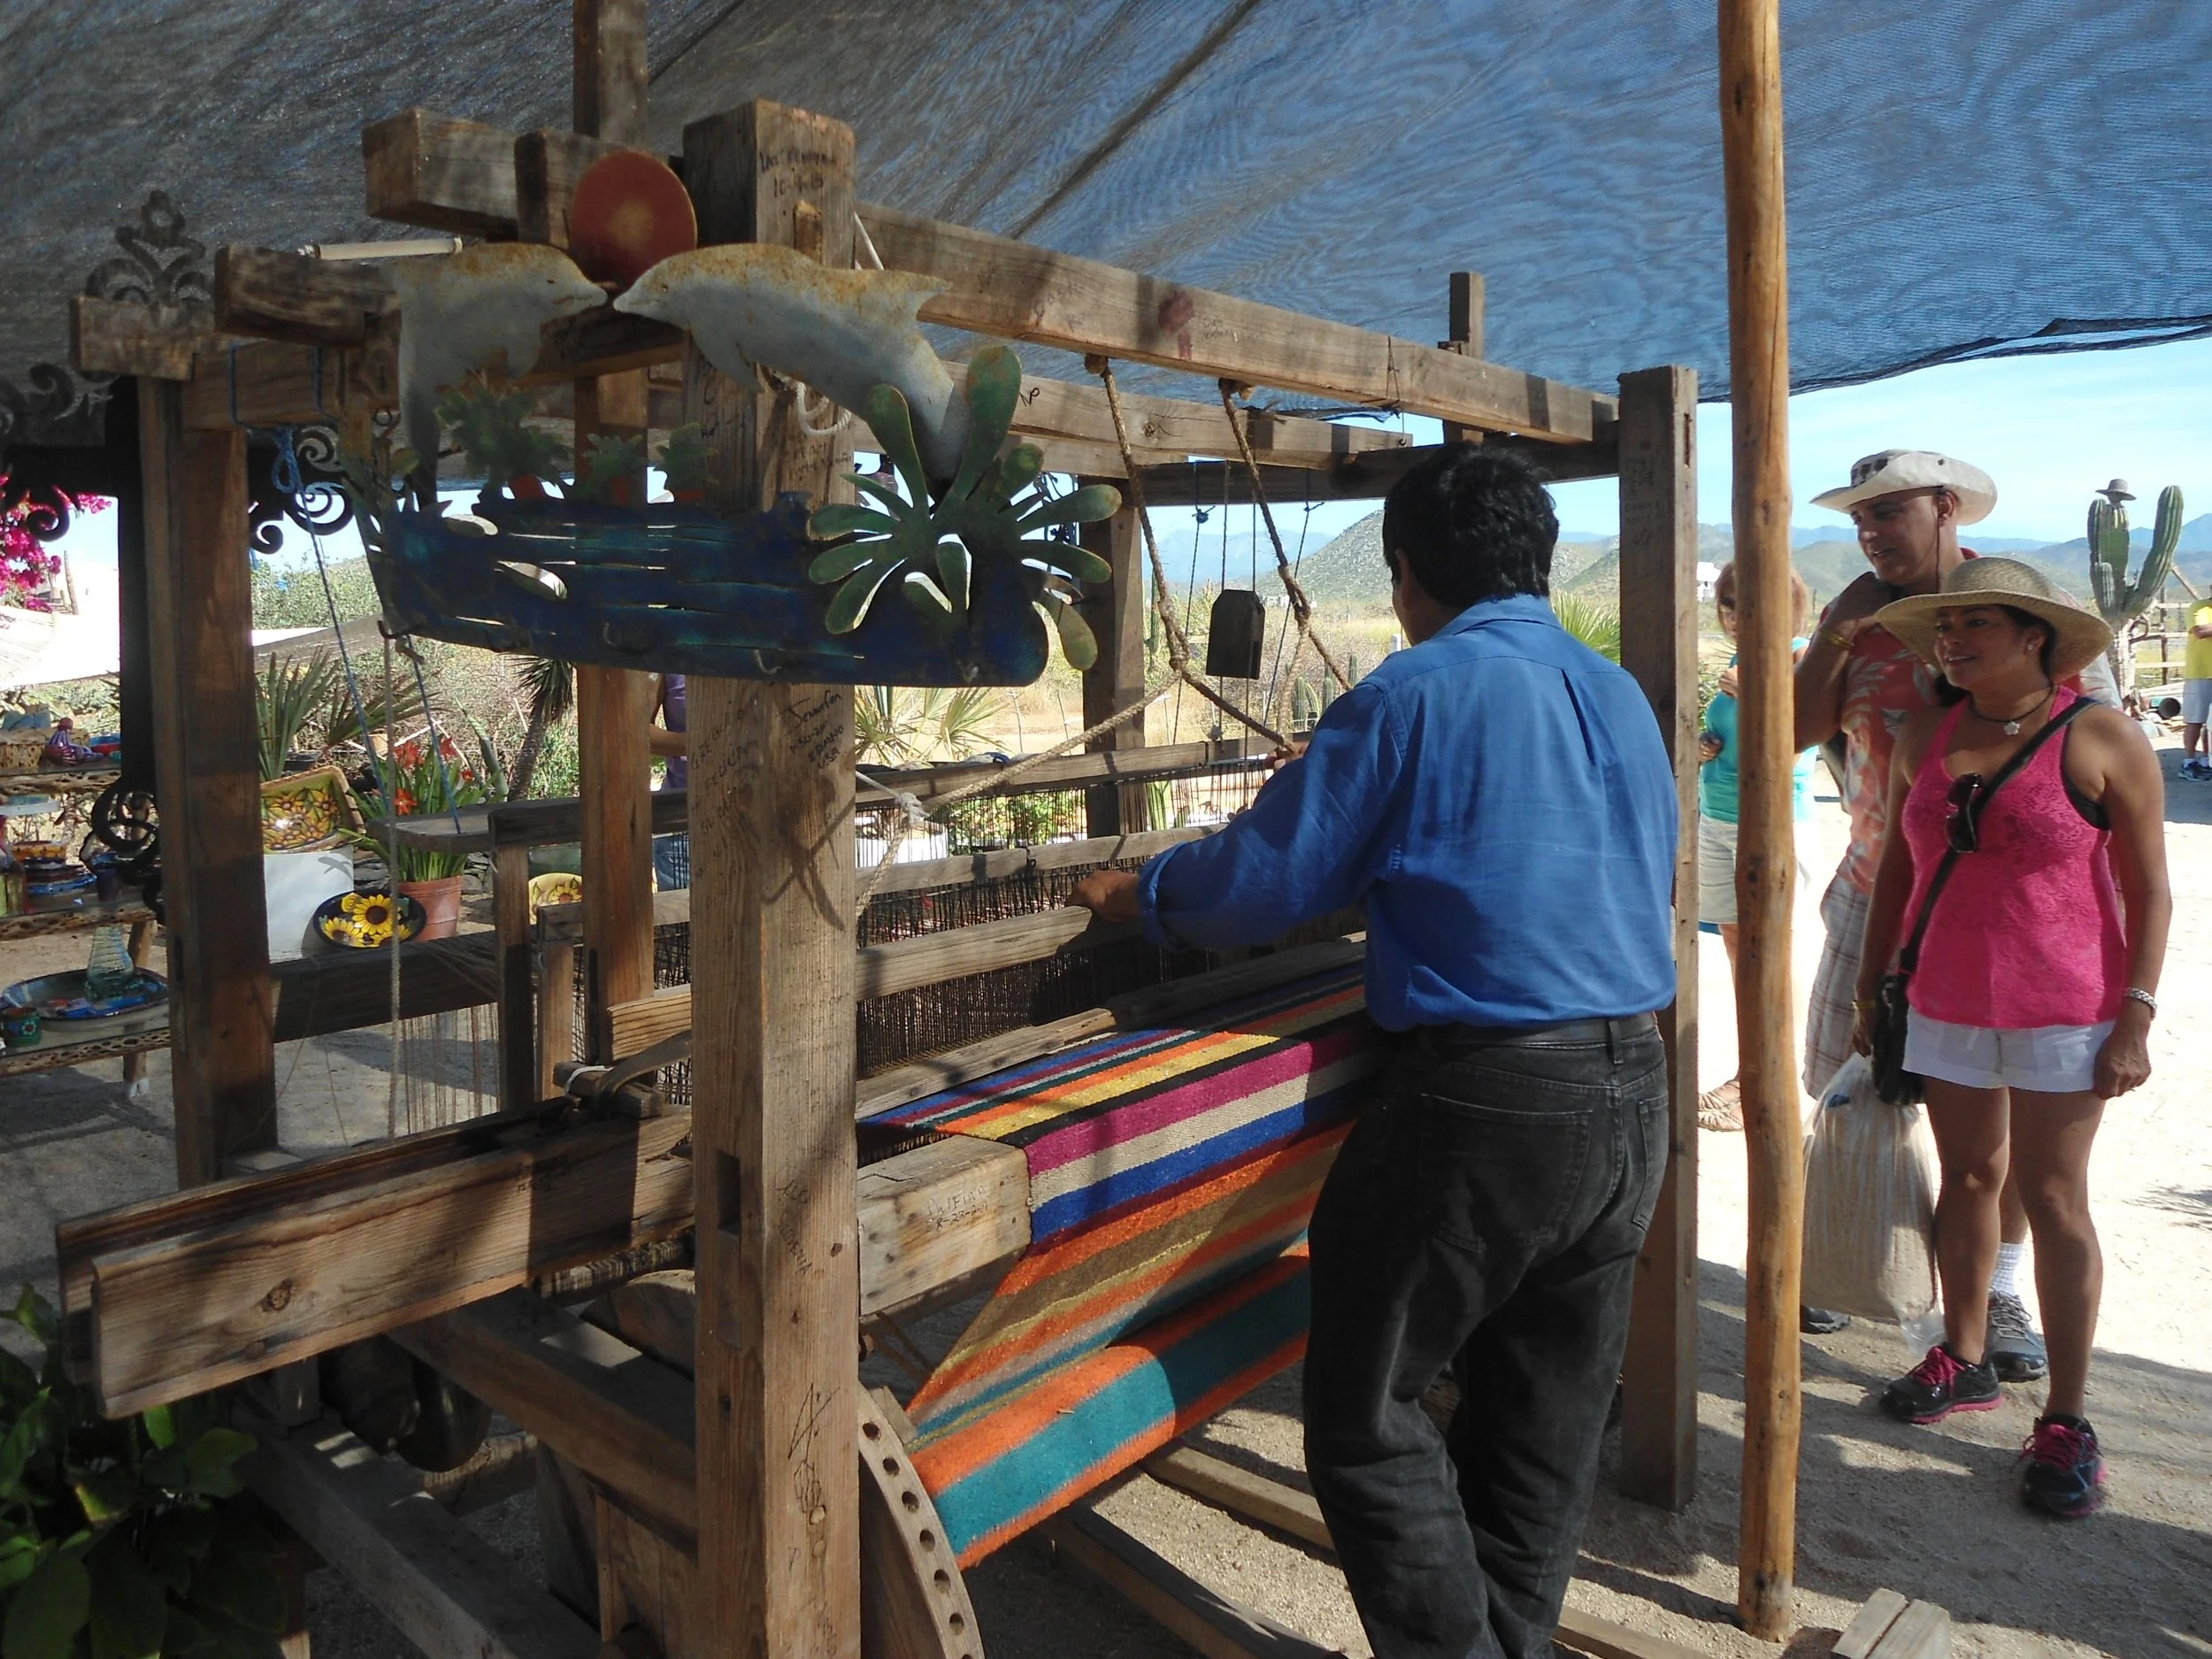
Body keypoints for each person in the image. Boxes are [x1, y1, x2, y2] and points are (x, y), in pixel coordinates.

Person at [1071, 447, 1677, 1659]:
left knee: (1363, 1411)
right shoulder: (1616, 693)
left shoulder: (1411, 694)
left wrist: (1141, 894)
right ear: (1536, 562)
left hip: (1494, 1103)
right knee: (1537, 1418)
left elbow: (1268, 882)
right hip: (1633, 1092)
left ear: (1405, 571)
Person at [1853, 560, 2168, 1518]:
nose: (1952, 640)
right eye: (1946, 627)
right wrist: (1874, 986)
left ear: (2034, 635)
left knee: (2055, 1198)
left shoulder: (2100, 735)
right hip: (1945, 997)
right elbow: (1899, 874)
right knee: (1968, 1181)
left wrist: (2137, 1014)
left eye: (1976, 623)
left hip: (2065, 1008)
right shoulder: (1923, 733)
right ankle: (1965, 1354)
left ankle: (2068, 1418)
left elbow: (2151, 887)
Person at [1793, 448, 2108, 1363]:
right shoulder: (1861, 624)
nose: (1868, 531)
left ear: (1943, 507)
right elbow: (1797, 730)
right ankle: (1861, 1254)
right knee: (1847, 1080)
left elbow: (2075, 749)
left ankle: (1998, 1291)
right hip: (1870, 886)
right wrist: (1837, 635)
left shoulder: (2016, 614)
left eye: (1886, 512)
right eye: (1859, 518)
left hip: (1999, 908)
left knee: (1998, 1111)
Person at [1694, 560, 1818, 1132]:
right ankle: (1749, 1073)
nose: (1736, 617)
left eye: (1748, 604)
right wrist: (1704, 744)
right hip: (1718, 817)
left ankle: (1765, 1081)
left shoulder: (1799, 658)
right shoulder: (1741, 659)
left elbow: (1793, 746)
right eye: (1727, 605)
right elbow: (1728, 736)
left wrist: (1750, 697)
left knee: (1767, 957)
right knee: (1739, 956)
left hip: (1770, 826)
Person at [649, 673, 688, 890]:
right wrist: (706, 741)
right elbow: (636, 728)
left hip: (760, 821)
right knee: (682, 922)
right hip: (681, 829)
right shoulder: (665, 654)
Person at [2181, 595, 2212, 780]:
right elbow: (2200, 631)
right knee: (2196, 719)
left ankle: (2206, 760)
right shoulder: (2200, 607)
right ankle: (2188, 762)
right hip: (2200, 672)